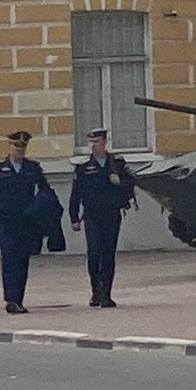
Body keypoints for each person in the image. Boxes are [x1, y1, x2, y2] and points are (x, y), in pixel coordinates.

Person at [0, 131, 51, 314]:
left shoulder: (33, 168)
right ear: (10, 147)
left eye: (23, 147)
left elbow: (45, 190)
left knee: (22, 260)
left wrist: (45, 210)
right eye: (17, 146)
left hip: (27, 221)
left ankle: (19, 299)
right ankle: (11, 299)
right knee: (9, 258)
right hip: (7, 221)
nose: (20, 150)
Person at [69, 128, 134, 307]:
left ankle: (106, 294)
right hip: (92, 216)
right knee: (94, 251)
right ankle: (95, 291)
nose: (93, 145)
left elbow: (131, 186)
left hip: (112, 214)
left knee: (108, 254)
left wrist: (120, 182)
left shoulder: (117, 164)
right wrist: (73, 217)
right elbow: (76, 193)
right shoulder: (84, 167)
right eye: (91, 142)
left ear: (104, 142)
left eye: (96, 142)